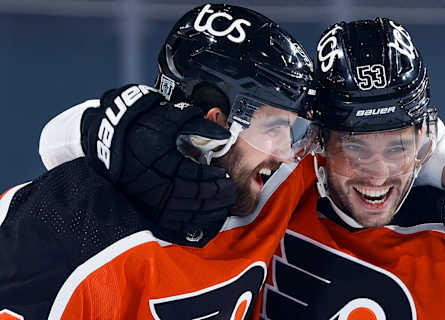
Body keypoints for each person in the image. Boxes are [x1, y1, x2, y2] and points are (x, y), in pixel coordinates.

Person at [0, 4, 319, 319]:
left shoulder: (280, 185)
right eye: (274, 127)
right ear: (217, 122)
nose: (286, 153)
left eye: (292, 130)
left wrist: (98, 126)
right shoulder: (69, 227)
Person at [259, 18, 445, 319]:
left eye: (396, 147)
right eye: (355, 147)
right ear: (319, 140)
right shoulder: (264, 203)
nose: (377, 174)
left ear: (421, 140)